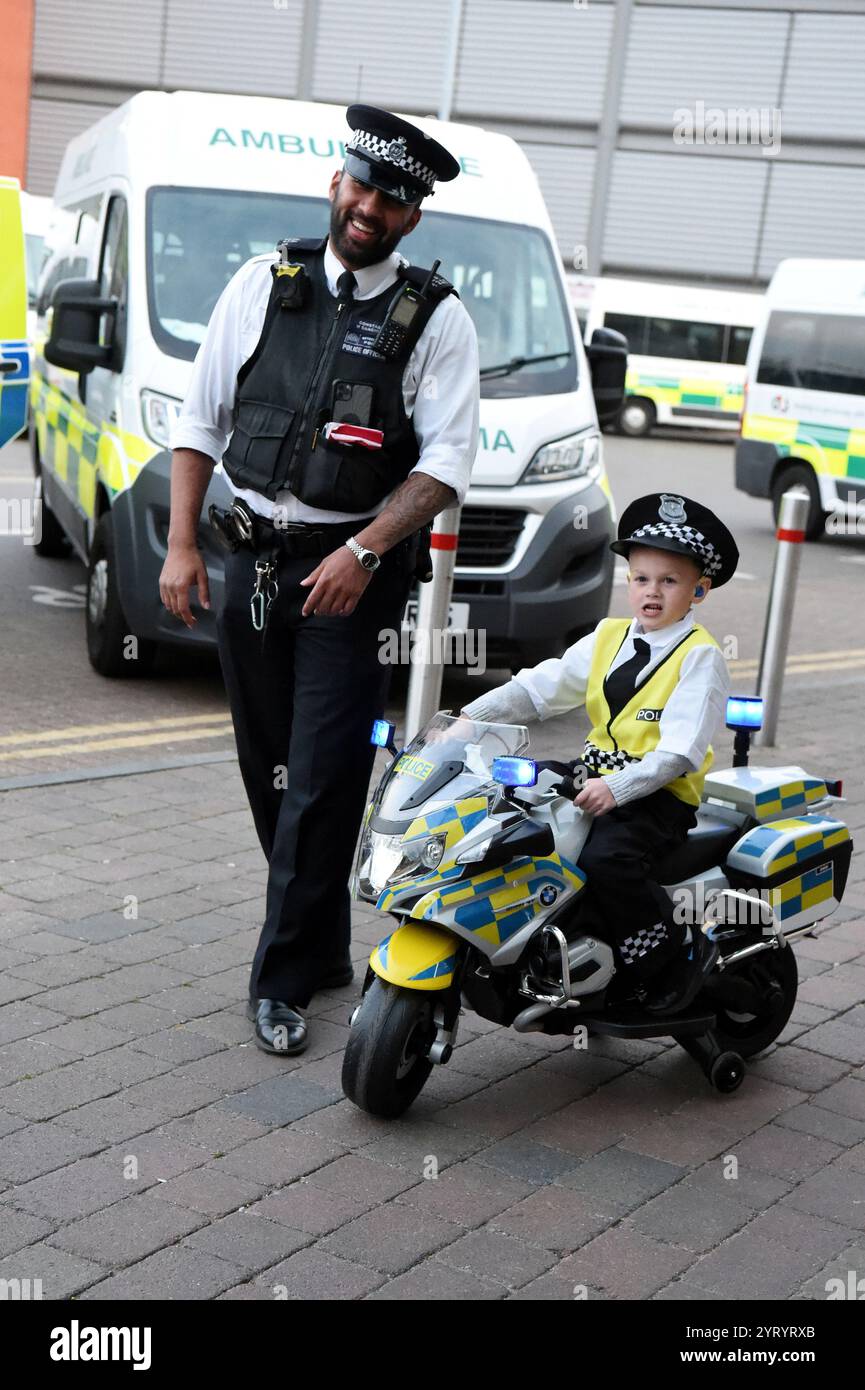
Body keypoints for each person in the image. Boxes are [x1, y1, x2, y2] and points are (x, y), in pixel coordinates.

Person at [160, 105, 480, 1055]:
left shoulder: (436, 318)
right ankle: (321, 941)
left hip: (352, 576)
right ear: (336, 186)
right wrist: (182, 546)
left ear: (412, 217)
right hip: (251, 558)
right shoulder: (265, 282)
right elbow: (198, 421)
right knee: (271, 765)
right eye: (362, 186)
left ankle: (282, 978)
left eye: (393, 199)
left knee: (324, 777)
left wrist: (364, 552)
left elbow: (445, 465)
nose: (371, 208)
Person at [461, 492, 738, 1015]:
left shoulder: (701, 656)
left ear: (699, 589)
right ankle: (554, 943)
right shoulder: (609, 635)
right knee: (510, 814)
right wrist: (466, 718)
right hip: (591, 777)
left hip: (657, 798)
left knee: (605, 859)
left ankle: (666, 953)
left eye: (670, 581)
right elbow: (539, 689)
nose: (651, 592)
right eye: (641, 578)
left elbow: (679, 754)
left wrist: (618, 787)